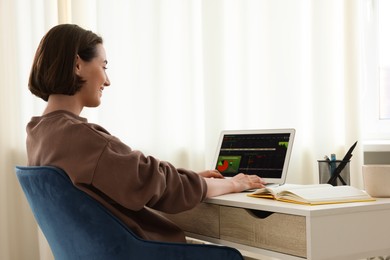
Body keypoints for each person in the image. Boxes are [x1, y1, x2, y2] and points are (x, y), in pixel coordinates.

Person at [26, 24, 266, 243]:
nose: (107, 81)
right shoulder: (81, 138)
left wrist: (191, 177)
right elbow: (158, 186)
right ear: (77, 65)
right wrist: (234, 183)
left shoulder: (38, 134)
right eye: (104, 66)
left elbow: (134, 175)